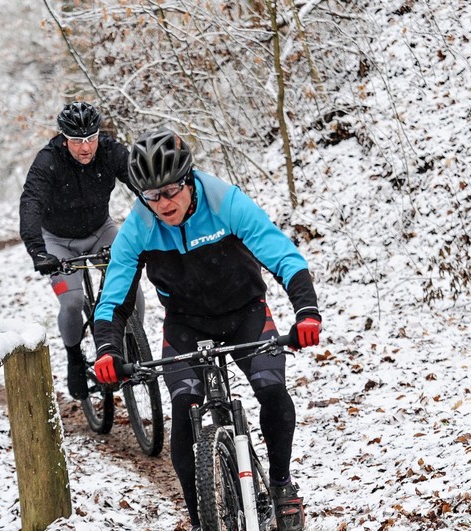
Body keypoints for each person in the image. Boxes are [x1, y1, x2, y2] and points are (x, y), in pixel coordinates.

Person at [91, 127, 321, 531]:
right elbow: (113, 298)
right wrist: (108, 350)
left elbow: (283, 255)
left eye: (169, 191)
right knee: (183, 411)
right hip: (186, 324)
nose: (161, 204)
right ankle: (202, 520)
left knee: (271, 390)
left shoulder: (225, 202)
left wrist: (306, 312)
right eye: (150, 195)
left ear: (188, 180)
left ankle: (283, 485)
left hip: (245, 312)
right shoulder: (139, 227)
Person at [19, 101, 142, 400]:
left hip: (101, 231)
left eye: (91, 138)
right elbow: (31, 202)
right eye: (77, 141)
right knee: (72, 302)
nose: (85, 147)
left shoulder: (111, 151)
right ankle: (74, 357)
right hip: (57, 241)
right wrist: (38, 251)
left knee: (132, 290)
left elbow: (142, 183)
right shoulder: (48, 160)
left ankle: (131, 343)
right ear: (64, 138)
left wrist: (164, 218)